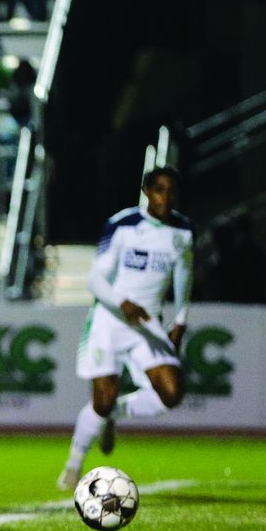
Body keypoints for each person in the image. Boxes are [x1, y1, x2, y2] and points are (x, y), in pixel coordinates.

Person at [57, 167, 194, 490]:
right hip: (110, 320)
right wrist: (122, 303)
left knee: (171, 394)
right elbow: (95, 279)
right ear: (146, 190)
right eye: (159, 189)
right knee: (100, 401)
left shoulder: (184, 232)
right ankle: (73, 466)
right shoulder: (123, 225)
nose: (166, 197)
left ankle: (114, 413)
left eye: (172, 191)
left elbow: (184, 277)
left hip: (147, 324)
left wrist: (181, 319)